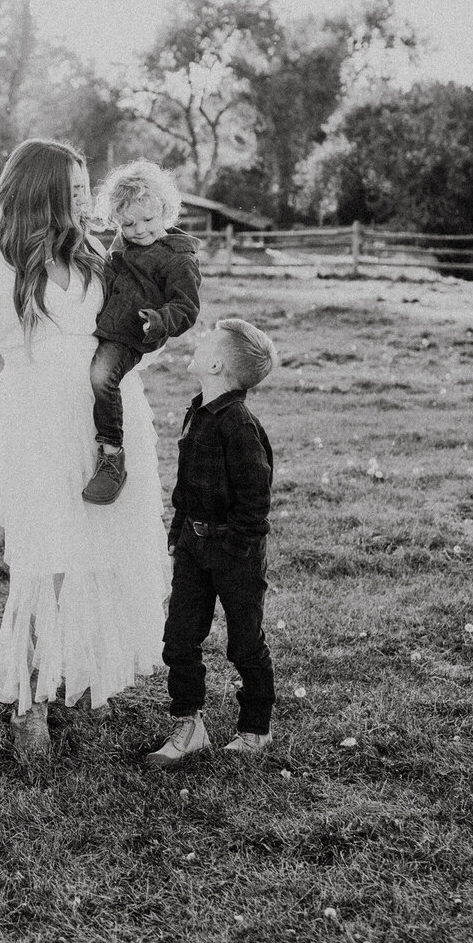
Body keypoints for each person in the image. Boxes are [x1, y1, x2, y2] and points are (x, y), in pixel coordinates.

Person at [0, 138, 171, 761]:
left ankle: (66, 672)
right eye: (75, 190)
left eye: (87, 188)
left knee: (94, 553)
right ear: (40, 192)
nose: (88, 200)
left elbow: (134, 321)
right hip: (34, 418)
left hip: (105, 420)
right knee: (45, 555)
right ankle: (27, 701)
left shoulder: (96, 251)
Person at [147, 317, 277, 769]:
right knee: (179, 639)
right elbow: (186, 485)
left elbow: (255, 500)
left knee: (245, 644)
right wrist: (179, 532)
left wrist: (236, 549)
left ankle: (255, 728)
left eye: (207, 341)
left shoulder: (239, 425)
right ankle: (189, 725)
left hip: (234, 554)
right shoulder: (198, 410)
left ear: (217, 363)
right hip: (192, 548)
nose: (197, 343)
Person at [82, 159, 201, 505]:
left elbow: (187, 307)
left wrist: (158, 320)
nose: (140, 230)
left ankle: (112, 454)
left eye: (148, 220)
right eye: (128, 223)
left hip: (132, 334)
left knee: (102, 376)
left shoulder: (177, 258)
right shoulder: (124, 243)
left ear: (165, 209)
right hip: (106, 325)